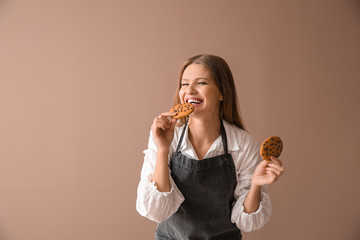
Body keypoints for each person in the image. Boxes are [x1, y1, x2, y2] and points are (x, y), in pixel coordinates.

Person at [136, 54, 285, 240]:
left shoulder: (242, 145)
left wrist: (256, 184)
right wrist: (163, 149)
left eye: (201, 83)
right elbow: (156, 212)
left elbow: (246, 221)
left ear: (222, 92)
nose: (189, 90)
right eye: (184, 84)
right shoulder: (165, 136)